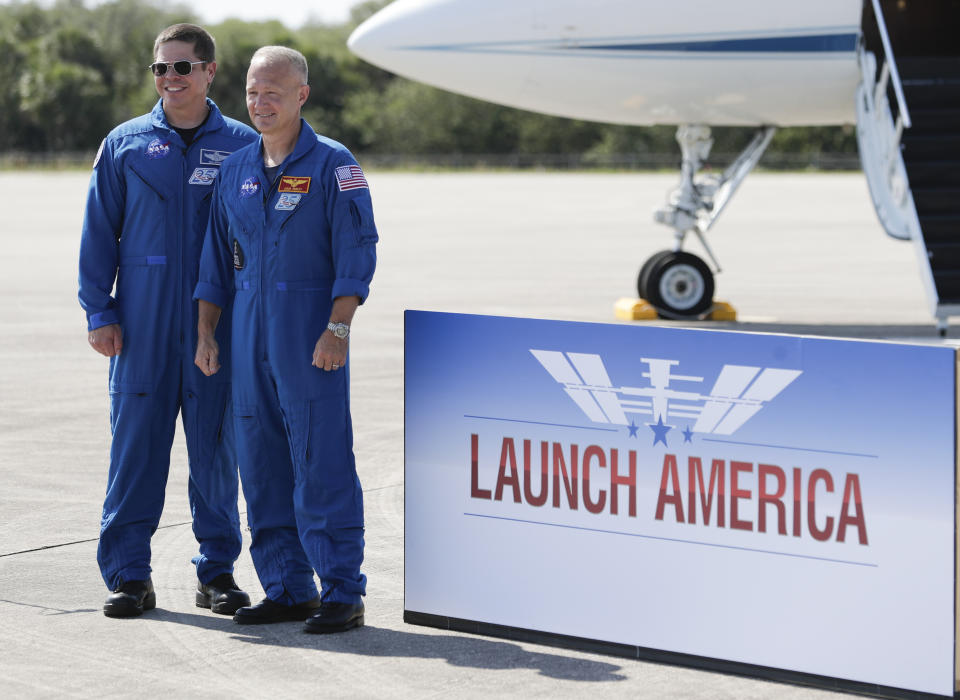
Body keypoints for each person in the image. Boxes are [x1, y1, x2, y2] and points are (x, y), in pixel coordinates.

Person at [194, 45, 377, 634]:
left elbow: (358, 251)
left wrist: (338, 327)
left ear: (302, 94)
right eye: (252, 91)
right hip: (247, 335)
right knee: (262, 463)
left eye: (273, 91)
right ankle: (287, 587)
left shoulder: (333, 164)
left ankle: (343, 591)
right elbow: (215, 263)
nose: (260, 101)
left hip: (310, 335)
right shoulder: (237, 170)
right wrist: (205, 331)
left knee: (320, 461)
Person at [78, 23, 257, 618]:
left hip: (216, 325)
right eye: (160, 68)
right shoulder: (125, 144)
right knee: (135, 450)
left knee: (215, 452)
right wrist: (99, 309)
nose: (170, 79)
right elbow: (98, 233)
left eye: (182, 67)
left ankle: (218, 573)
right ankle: (130, 575)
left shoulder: (242, 146)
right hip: (141, 324)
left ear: (209, 72)